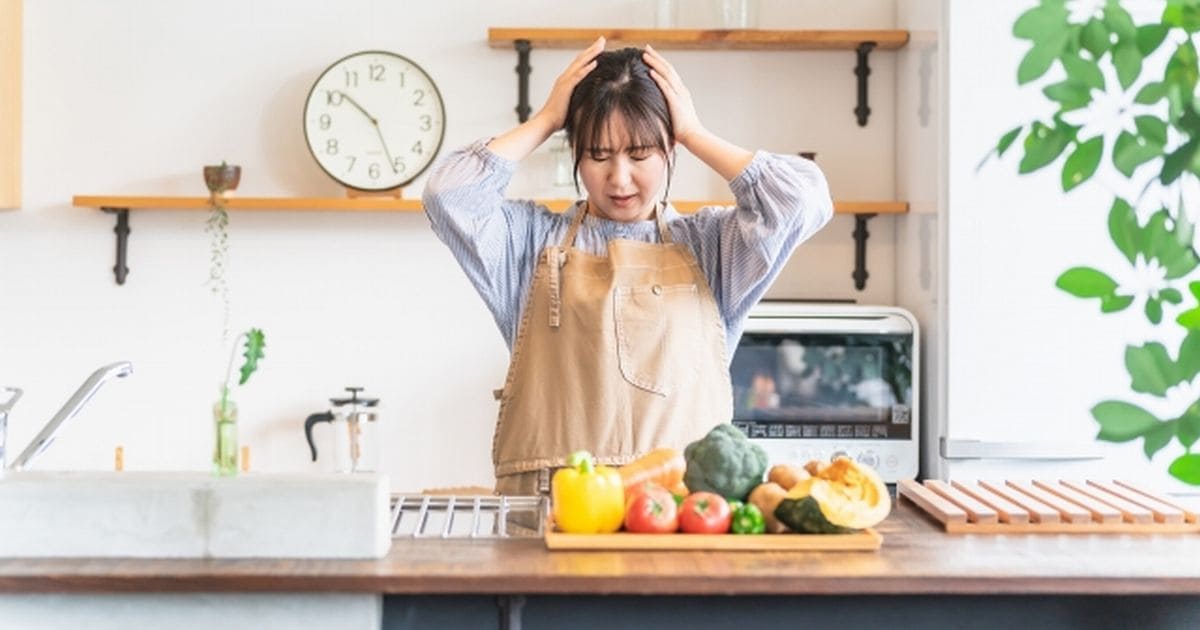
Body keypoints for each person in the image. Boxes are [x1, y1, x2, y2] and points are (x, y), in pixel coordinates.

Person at [423, 38, 833, 496]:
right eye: (597, 155)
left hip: (679, 521)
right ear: (575, 153)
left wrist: (694, 131)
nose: (619, 179)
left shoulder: (714, 248)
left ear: (669, 150)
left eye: (640, 155)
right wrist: (547, 120)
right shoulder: (529, 245)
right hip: (548, 520)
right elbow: (448, 195)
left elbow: (802, 200)